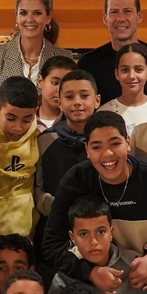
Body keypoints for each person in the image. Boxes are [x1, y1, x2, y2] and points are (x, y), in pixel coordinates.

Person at [43, 112, 147, 286]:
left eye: (115, 143)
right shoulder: (75, 181)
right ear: (87, 149)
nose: (107, 154)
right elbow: (51, 244)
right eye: (96, 147)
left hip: (143, 277)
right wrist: (90, 272)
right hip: (90, 279)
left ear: (128, 142)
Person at [76, 0, 147, 104]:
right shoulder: (88, 64)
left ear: (139, 16)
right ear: (104, 18)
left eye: (127, 11)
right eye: (114, 12)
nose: (121, 18)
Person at [0, 76, 42, 238]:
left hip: (25, 231)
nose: (18, 128)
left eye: (27, 120)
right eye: (11, 118)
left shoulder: (36, 136)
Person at [0, 0, 68, 91]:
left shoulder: (64, 58)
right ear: (16, 17)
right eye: (23, 13)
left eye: (37, 13)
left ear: (48, 17)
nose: (30, 19)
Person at [36, 69, 100, 218]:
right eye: (69, 97)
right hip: (53, 220)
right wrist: (59, 208)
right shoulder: (46, 139)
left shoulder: (106, 141)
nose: (77, 102)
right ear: (60, 102)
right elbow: (37, 187)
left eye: (84, 96)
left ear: (97, 100)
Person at [100, 42, 147, 133]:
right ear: (117, 73)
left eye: (138, 69)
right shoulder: (104, 112)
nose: (131, 76)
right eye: (125, 70)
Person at [35, 54, 77, 130]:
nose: (59, 89)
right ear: (40, 81)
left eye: (66, 84)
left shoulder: (77, 121)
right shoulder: (27, 116)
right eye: (55, 82)